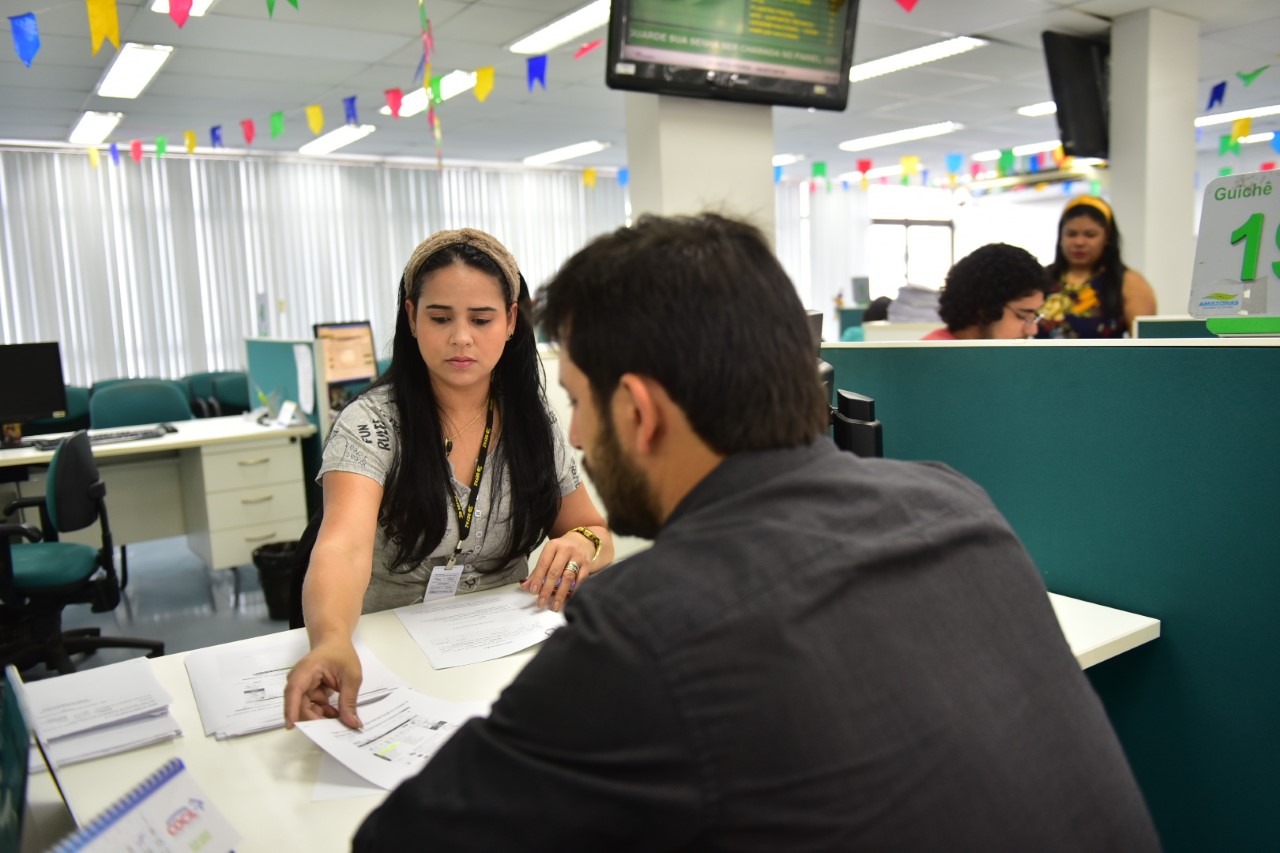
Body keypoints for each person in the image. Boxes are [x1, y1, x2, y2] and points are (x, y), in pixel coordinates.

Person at [352, 213, 1158, 851]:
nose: (576, 439)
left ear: (640, 411)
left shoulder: (650, 624)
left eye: (581, 401)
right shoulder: (957, 507)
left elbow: (403, 838)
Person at [283, 227, 612, 728]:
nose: (461, 338)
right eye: (440, 318)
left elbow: (594, 531)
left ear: (509, 322)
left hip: (502, 658)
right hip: (389, 659)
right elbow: (343, 548)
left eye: (481, 319)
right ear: (412, 318)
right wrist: (330, 641)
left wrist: (583, 544)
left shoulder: (533, 425)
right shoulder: (372, 424)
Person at [1037, 195, 1156, 338]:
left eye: (1090, 235)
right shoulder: (1040, 278)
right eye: (1072, 234)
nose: (1079, 242)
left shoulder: (1130, 283)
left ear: (1107, 238)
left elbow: (1145, 344)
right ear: (1060, 237)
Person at [922, 242, 1048, 340]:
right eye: (1023, 316)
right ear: (984, 310)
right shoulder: (931, 361)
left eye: (1035, 317)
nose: (1033, 330)